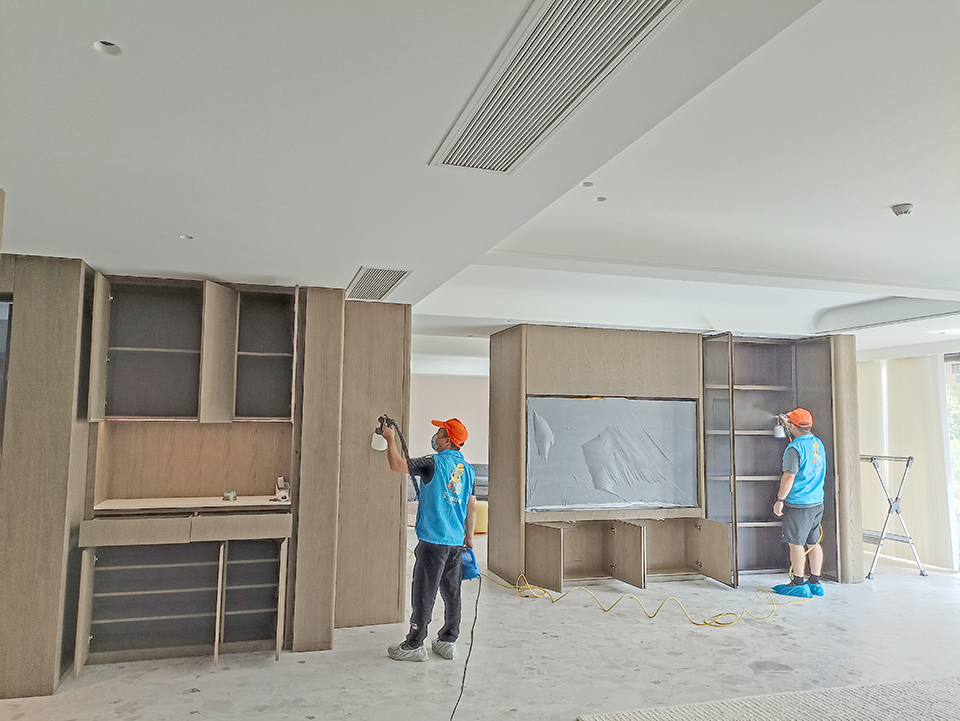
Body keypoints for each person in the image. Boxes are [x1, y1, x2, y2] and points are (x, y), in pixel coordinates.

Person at [381, 417, 476, 661]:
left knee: (424, 592)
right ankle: (448, 641)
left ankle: (414, 644)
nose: (435, 436)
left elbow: (396, 465)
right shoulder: (468, 470)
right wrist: (469, 538)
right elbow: (472, 505)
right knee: (452, 592)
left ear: (447, 441)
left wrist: (390, 439)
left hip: (433, 542)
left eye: (440, 433)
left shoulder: (432, 462)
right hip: (455, 543)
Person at [772, 408, 826, 598]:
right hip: (817, 502)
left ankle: (798, 583)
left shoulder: (794, 448)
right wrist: (789, 423)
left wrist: (780, 500)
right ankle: (815, 582)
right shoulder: (817, 443)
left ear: (792, 426)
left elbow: (789, 476)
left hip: (799, 504)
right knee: (813, 542)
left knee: (795, 542)